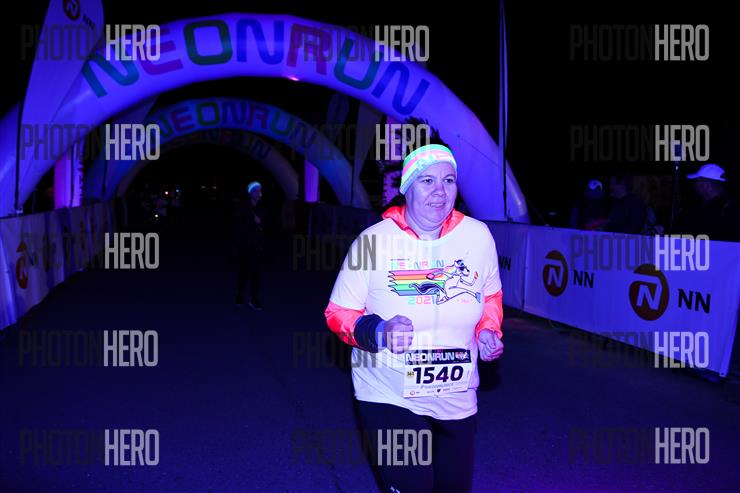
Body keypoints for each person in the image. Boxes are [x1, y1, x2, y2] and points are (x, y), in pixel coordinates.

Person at [324, 142, 504, 493]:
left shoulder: (478, 237)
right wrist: (379, 331)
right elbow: (338, 313)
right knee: (413, 487)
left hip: (456, 393)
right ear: (407, 188)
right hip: (389, 390)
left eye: (448, 180)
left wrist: (488, 329)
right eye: (427, 181)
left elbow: (491, 296)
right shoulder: (373, 242)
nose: (440, 191)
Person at [677, 163, 740, 242]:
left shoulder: (729, 209)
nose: (694, 185)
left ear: (705, 185)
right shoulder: (701, 205)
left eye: (696, 181)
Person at [234, 181, 265, 309]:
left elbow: (268, 224)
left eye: (259, 191)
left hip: (257, 245)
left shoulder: (262, 207)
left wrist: (261, 223)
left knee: (256, 273)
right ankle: (240, 296)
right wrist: (251, 221)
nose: (258, 193)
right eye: (256, 191)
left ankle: (253, 299)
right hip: (245, 245)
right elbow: (237, 224)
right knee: (243, 272)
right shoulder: (243, 207)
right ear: (250, 193)